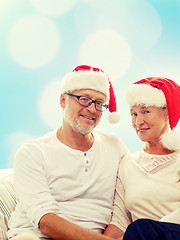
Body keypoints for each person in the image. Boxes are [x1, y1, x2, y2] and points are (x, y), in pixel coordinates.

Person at [7, 65, 128, 240]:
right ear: (63, 100)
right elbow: (45, 221)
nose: (92, 109)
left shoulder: (114, 146)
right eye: (84, 99)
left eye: (99, 103)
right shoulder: (31, 152)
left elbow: (124, 202)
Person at [104, 77, 180, 240]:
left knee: (141, 228)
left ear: (167, 113)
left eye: (146, 112)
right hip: (143, 235)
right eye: (133, 114)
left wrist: (140, 235)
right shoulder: (127, 163)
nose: (138, 121)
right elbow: (119, 222)